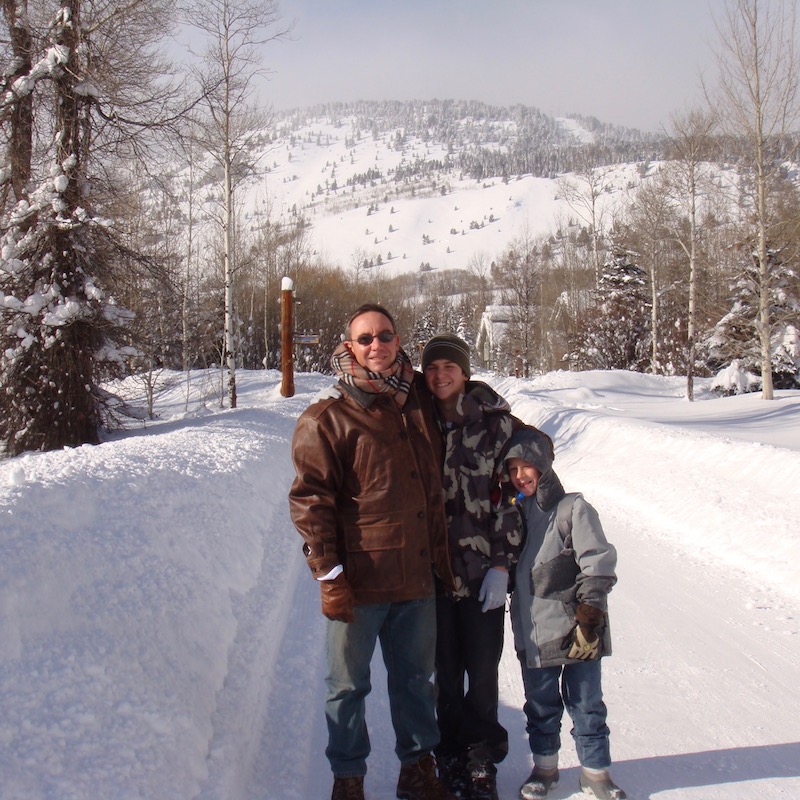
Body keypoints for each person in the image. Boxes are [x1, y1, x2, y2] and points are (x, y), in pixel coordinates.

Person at [289, 304, 457, 800]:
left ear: (398, 338)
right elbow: (309, 500)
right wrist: (329, 574)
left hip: (415, 579)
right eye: (365, 339)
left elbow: (481, 416)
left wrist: (527, 448)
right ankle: (348, 778)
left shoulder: (421, 401)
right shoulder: (328, 418)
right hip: (359, 585)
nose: (376, 346)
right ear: (349, 347)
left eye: (384, 335)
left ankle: (417, 771)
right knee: (346, 687)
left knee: (414, 683)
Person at [421, 334, 523, 800]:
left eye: (450, 367)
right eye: (433, 368)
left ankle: (481, 763)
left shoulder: (495, 425)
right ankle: (449, 759)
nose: (440, 375)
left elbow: (511, 500)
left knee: (482, 673)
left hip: (483, 575)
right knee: (445, 673)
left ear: (465, 372)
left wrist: (503, 565)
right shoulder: (416, 422)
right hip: (433, 576)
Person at [502, 425, 626, 800]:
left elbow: (598, 563)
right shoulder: (512, 515)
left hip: (577, 631)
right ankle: (545, 768)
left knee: (587, 704)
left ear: (544, 466)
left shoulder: (573, 508)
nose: (520, 476)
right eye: (513, 469)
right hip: (533, 635)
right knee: (540, 707)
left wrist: (590, 615)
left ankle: (596, 773)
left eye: (528, 467)